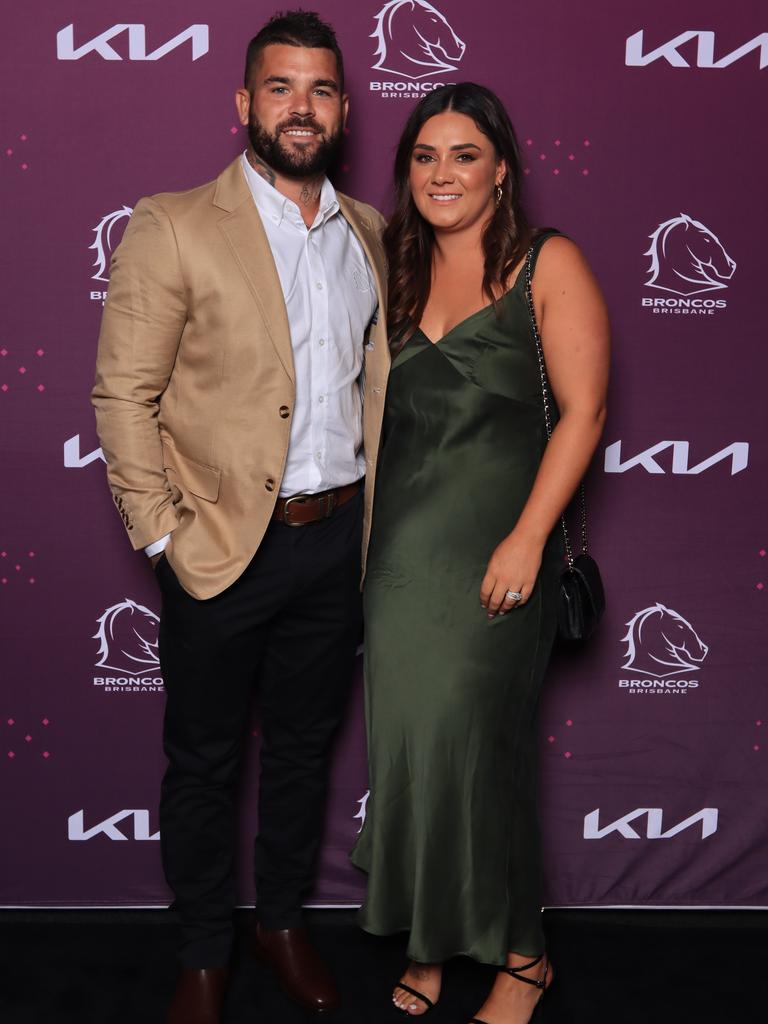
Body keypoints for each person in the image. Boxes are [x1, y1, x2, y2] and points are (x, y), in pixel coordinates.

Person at [92, 12, 389, 1024]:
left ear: (344, 109)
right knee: (206, 759)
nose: (299, 107)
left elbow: (377, 388)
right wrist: (164, 536)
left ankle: (282, 922)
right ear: (244, 103)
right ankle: (204, 948)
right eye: (279, 87)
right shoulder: (174, 223)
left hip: (336, 541)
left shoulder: (370, 234)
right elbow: (121, 395)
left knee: (305, 752)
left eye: (318, 90)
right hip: (218, 547)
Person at [351, 83, 609, 1024]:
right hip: (397, 571)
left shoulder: (550, 262)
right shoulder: (395, 270)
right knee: (412, 760)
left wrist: (529, 538)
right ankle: (428, 943)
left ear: (503, 168)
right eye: (425, 156)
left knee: (481, 760)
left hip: (501, 559)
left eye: (464, 154)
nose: (442, 173)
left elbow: (585, 413)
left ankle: (526, 958)